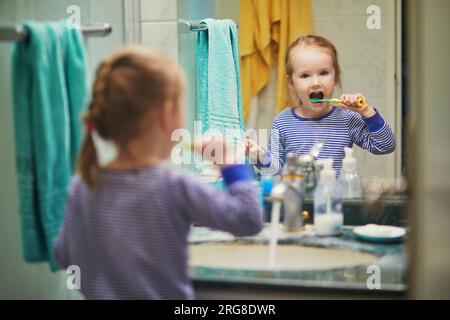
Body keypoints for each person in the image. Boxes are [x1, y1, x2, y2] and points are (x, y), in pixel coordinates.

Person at [53, 46, 263, 299]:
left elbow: (63, 253)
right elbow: (248, 219)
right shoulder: (174, 187)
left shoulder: (82, 185)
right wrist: (229, 162)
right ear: (165, 114)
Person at [245, 34, 396, 175]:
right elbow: (275, 170)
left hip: (334, 200)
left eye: (323, 73)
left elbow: (385, 145)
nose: (316, 83)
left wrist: (367, 112)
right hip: (295, 201)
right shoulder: (282, 122)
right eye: (305, 75)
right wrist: (259, 156)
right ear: (291, 82)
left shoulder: (347, 119)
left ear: (336, 77)